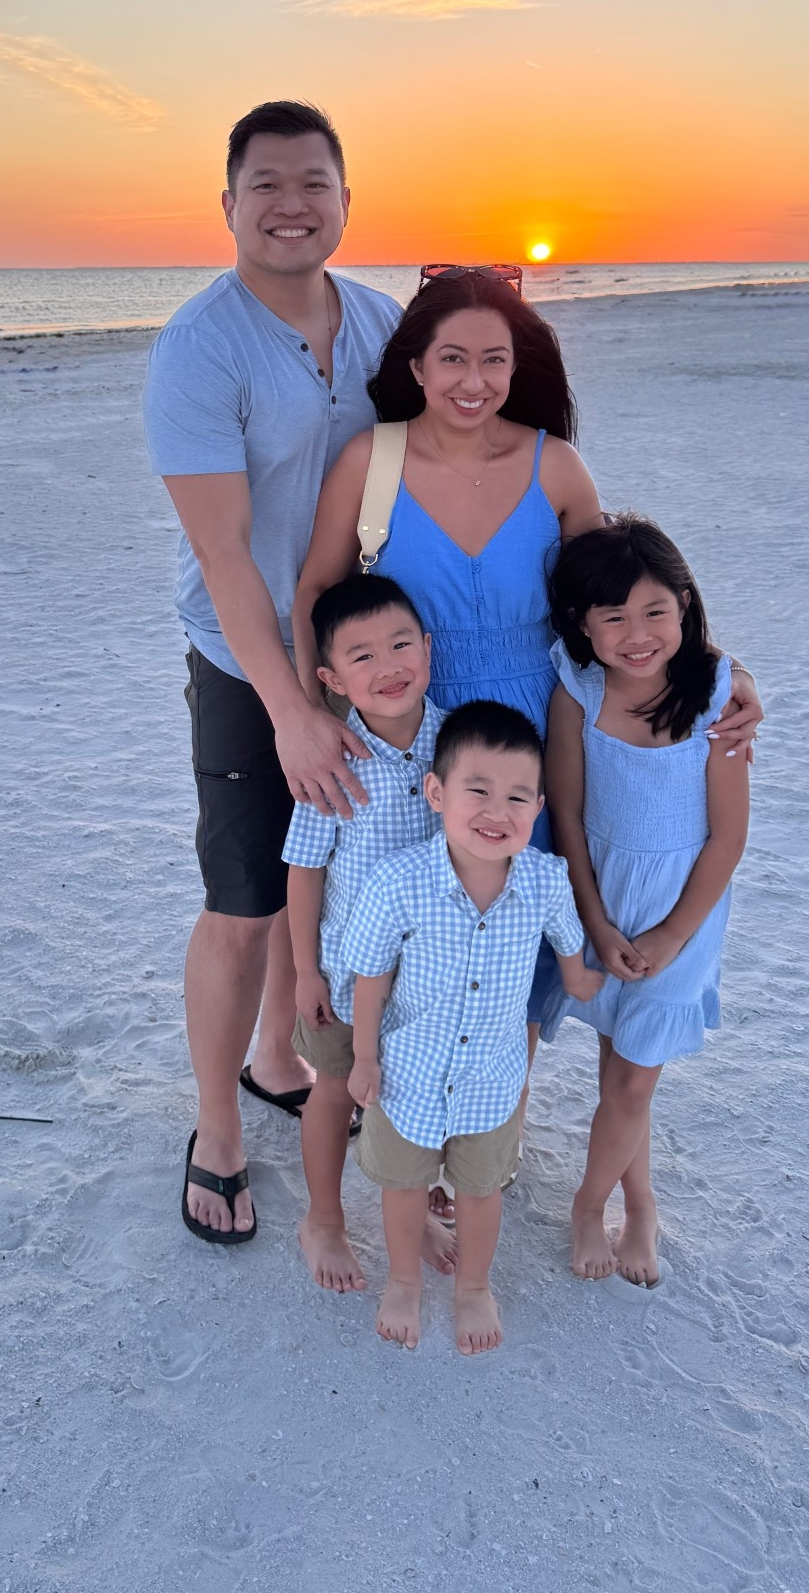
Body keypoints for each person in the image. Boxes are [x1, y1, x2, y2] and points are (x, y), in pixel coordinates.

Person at [294, 269, 764, 1126]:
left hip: (540, 738)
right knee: (419, 927)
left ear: (517, 367)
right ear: (416, 365)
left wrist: (724, 667)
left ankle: (482, 1123)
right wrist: (312, 722)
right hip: (416, 739)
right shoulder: (372, 460)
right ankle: (407, 1114)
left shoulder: (556, 464)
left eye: (495, 360)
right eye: (453, 358)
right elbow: (317, 595)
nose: (474, 381)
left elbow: (620, 600)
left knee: (516, 937)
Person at [142, 101, 402, 1245]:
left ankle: (274, 1058)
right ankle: (218, 1127)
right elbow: (226, 556)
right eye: (266, 185)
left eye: (314, 182)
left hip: (366, 653)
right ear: (230, 204)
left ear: (348, 199)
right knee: (245, 904)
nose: (291, 204)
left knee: (333, 888)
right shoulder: (201, 346)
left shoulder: (386, 320)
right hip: (246, 663)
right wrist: (291, 709)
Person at [340, 701, 604, 1355]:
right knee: (404, 1188)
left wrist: (580, 980)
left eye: (518, 796)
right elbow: (370, 976)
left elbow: (568, 941)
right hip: (408, 1072)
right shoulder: (398, 882)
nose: (498, 811)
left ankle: (473, 1287)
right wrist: (364, 1057)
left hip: (492, 1077)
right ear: (436, 792)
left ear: (538, 808)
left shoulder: (545, 879)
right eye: (477, 790)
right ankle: (404, 1279)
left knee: (482, 1192)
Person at [541, 515, 751, 1288]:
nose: (638, 634)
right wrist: (594, 923)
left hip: (682, 915)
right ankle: (642, 1192)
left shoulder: (716, 698)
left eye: (657, 611)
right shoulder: (577, 689)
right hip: (601, 898)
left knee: (633, 1077)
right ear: (580, 624)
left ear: (687, 607)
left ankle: (593, 1206)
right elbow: (564, 813)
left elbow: (727, 840)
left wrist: (669, 937)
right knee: (619, 1068)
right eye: (614, 617)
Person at [282, 573, 455, 1292]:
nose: (388, 666)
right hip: (347, 973)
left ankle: (412, 1213)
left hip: (428, 975)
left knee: (417, 1093)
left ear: (429, 647)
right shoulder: (335, 758)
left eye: (401, 644)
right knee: (334, 1091)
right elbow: (303, 869)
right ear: (331, 680)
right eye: (362, 657)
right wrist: (305, 974)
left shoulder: (458, 740)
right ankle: (323, 1218)